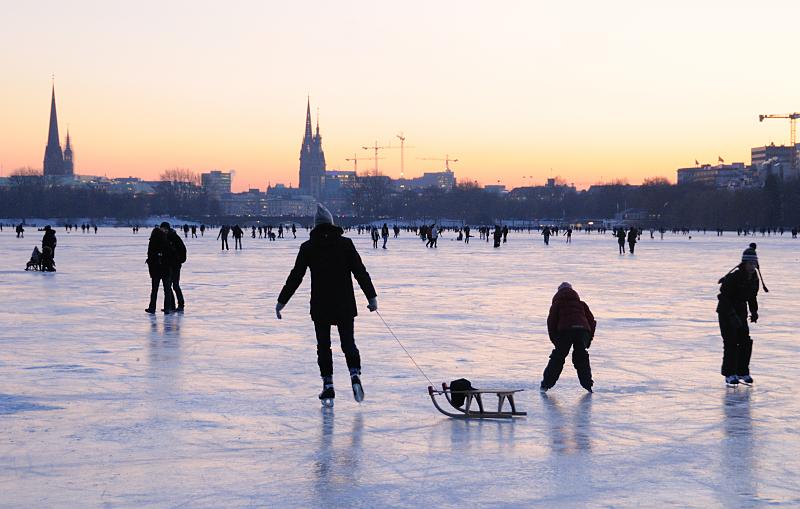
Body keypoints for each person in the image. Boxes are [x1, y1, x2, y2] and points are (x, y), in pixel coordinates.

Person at [276, 204, 378, 407]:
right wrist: (371, 297)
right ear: (332, 223)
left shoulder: (308, 247)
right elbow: (360, 272)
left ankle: (328, 385)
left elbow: (295, 277)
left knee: (324, 346)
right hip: (345, 303)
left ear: (316, 225)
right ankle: (354, 374)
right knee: (348, 342)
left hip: (321, 305)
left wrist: (282, 301)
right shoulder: (345, 244)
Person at [717, 243, 764, 386]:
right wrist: (731, 316)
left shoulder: (754, 278)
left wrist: (754, 311)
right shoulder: (734, 277)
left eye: (754, 263)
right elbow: (723, 298)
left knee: (745, 342)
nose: (752, 266)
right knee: (731, 342)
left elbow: (752, 296)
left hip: (741, 312)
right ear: (744, 263)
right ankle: (729, 373)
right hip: (726, 312)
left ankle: (742, 371)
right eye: (750, 263)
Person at [541, 282, 596, 393]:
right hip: (582, 331)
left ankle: (546, 384)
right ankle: (588, 385)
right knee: (581, 357)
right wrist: (588, 339)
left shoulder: (557, 305)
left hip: (565, 331)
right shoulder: (582, 304)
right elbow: (592, 322)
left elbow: (551, 323)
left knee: (558, 357)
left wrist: (556, 341)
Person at [145, 227, 175, 314]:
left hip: (156, 270)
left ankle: (152, 307)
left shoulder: (152, 242)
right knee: (167, 290)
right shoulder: (166, 241)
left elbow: (150, 255)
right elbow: (170, 255)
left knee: (154, 290)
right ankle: (167, 308)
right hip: (165, 269)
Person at [162, 222, 186, 312]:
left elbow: (183, 250)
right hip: (167, 266)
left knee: (175, 285)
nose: (164, 231)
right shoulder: (162, 238)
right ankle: (171, 305)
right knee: (168, 286)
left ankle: (181, 304)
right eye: (162, 229)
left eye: (165, 229)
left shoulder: (175, 237)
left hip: (175, 266)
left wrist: (179, 260)